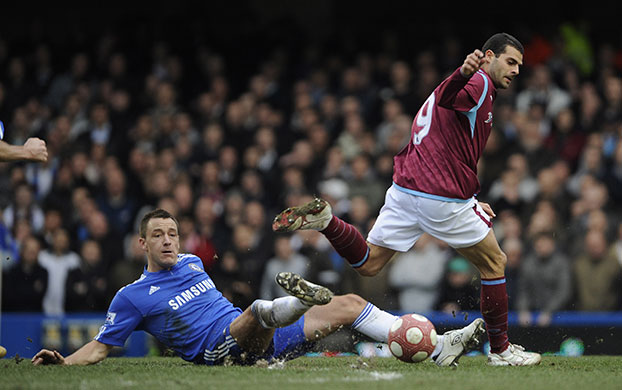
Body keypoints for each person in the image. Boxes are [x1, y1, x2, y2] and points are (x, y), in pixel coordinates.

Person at [273, 33, 541, 366]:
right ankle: (501, 351)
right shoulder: (480, 82)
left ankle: (328, 222)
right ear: (488, 57)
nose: (516, 70)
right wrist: (463, 73)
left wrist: (471, 197)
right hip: (439, 195)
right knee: (495, 263)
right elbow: (450, 98)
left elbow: (448, 141)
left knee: (369, 264)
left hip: (407, 188)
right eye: (511, 61)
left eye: (519, 65)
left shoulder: (467, 85)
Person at [32, 209, 484, 367]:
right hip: (218, 349)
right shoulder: (131, 295)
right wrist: (63, 360)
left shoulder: (191, 261)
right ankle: (287, 302)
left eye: (172, 232)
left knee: (349, 302)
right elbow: (100, 348)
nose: (168, 240)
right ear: (142, 243)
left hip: (256, 340)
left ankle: (440, 344)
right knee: (254, 310)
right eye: (159, 235)